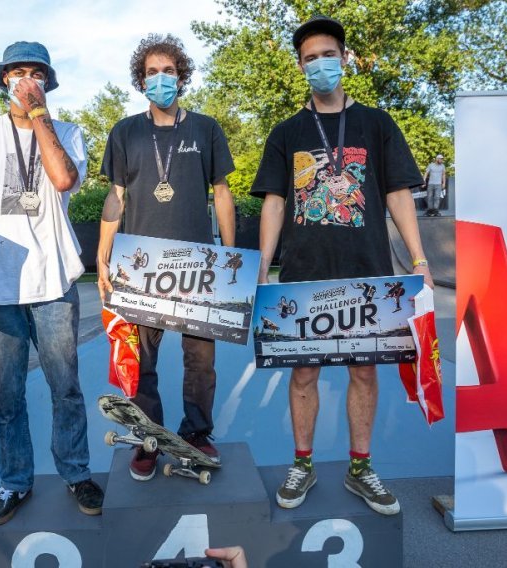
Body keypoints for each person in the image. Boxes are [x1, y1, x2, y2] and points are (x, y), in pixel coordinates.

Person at [251, 16, 434, 516]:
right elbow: (273, 201)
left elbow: (397, 193)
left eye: (327, 54)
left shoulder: (377, 123)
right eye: (310, 58)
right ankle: (303, 463)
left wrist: (418, 258)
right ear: (300, 66)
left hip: (367, 272)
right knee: (303, 372)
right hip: (304, 276)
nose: (319, 65)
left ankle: (360, 467)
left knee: (365, 372)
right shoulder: (287, 132)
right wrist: (263, 268)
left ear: (345, 59)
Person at [0, 40, 103, 526]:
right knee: (9, 394)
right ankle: (14, 481)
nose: (25, 80)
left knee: (66, 388)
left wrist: (39, 114)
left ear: (47, 81)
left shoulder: (68, 131)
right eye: (17, 72)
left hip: (53, 279)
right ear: (3, 80)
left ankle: (76, 473)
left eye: (35, 73)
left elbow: (62, 180)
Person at [97, 34, 237, 481]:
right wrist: (102, 257)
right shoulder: (124, 132)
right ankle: (148, 439)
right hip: (140, 267)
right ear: (141, 81)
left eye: (169, 71)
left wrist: (232, 256)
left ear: (182, 78)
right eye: (152, 72)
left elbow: (222, 193)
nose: (162, 78)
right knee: (143, 362)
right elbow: (115, 196)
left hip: (198, 266)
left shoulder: (206, 128)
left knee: (201, 362)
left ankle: (196, 433)